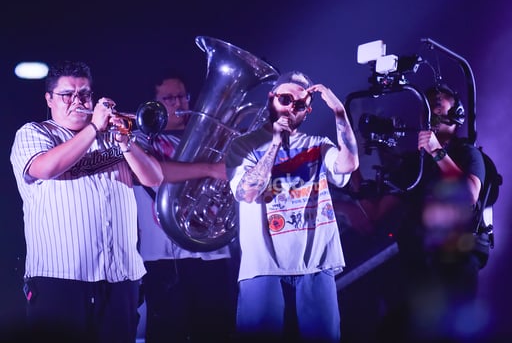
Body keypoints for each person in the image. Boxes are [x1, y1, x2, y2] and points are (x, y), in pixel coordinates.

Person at [9, 60, 163, 343]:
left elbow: (154, 178)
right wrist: (94, 127)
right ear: (49, 99)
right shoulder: (35, 133)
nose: (77, 101)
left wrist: (125, 141)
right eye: (68, 94)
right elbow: (45, 168)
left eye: (84, 94)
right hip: (60, 279)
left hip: (120, 277)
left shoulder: (115, 138)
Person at [226, 70, 359, 343]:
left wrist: (339, 113)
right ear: (271, 98)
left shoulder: (317, 145)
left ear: (306, 111)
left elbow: (349, 164)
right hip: (263, 267)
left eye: (298, 104)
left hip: (315, 265)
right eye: (285, 99)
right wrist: (275, 144)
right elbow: (248, 192)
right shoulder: (244, 146)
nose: (289, 108)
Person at [368, 84, 488, 342]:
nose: (430, 113)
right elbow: (376, 212)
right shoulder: (414, 162)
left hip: (455, 259)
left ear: (456, 115)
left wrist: (437, 151)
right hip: (418, 261)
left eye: (437, 106)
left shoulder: (467, 153)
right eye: (426, 107)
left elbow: (469, 195)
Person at [133, 71, 237, 343]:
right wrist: (210, 169)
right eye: (169, 98)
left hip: (214, 255)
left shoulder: (212, 138)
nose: (179, 104)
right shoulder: (140, 139)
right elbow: (153, 171)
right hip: (163, 259)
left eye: (182, 96)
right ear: (153, 104)